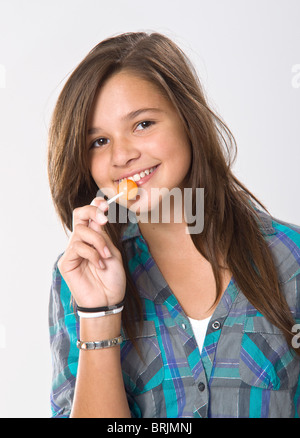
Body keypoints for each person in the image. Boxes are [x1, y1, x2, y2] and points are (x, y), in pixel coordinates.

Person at [48, 32, 300, 418]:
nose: (123, 155)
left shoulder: (290, 258)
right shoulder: (77, 279)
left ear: (188, 119)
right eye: (98, 141)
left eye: (143, 124)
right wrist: (99, 315)